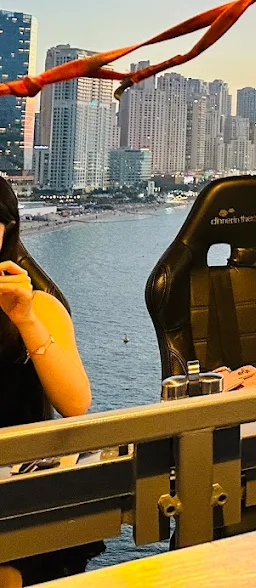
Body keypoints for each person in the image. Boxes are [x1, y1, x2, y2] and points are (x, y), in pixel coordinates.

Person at [0, 176, 101, 585]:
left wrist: (24, 318)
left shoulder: (40, 307)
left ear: (7, 230)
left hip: (18, 489)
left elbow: (76, 403)